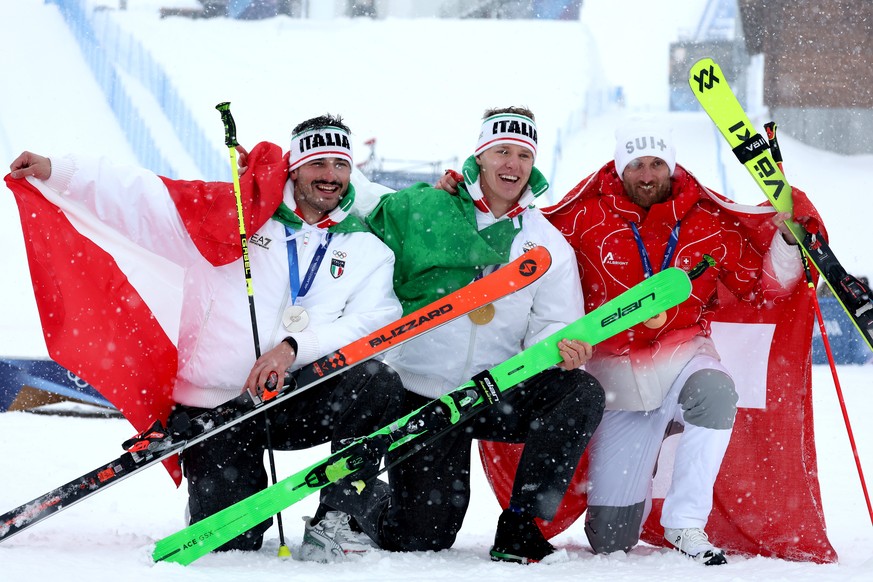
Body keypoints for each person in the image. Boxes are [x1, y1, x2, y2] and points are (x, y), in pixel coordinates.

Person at [8, 114, 406, 555]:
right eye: (317, 163)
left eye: (339, 164)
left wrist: (295, 348)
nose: (329, 176)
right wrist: (58, 171)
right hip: (219, 405)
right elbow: (144, 198)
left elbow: (377, 319)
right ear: (294, 166)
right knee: (232, 545)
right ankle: (217, 502)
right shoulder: (234, 215)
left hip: (296, 396)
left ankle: (341, 514)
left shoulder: (366, 246)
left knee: (377, 382)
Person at [316, 106, 605, 564]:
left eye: (523, 155)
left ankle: (521, 525)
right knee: (421, 538)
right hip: (421, 395)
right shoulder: (427, 209)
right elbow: (361, 202)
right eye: (501, 152)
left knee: (580, 392)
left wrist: (562, 351)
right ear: (481, 156)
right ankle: (356, 502)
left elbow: (554, 324)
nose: (512, 165)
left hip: (493, 394)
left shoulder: (545, 242)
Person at [543, 119, 819, 565]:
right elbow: (526, 246)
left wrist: (788, 239)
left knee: (716, 391)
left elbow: (762, 287)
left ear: (671, 166)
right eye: (636, 165)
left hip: (682, 361)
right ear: (619, 168)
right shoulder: (583, 217)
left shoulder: (705, 220)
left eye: (656, 163)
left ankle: (686, 522)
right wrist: (463, 193)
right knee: (610, 540)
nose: (647, 174)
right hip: (616, 386)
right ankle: (636, 479)